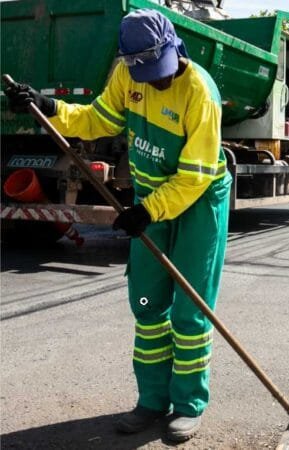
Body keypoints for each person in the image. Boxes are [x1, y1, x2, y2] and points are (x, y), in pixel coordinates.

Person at [5, 9, 231, 442]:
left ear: (174, 49)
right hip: (152, 202)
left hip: (197, 203)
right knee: (147, 307)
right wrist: (48, 105)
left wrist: (148, 211)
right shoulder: (129, 77)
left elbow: (195, 175)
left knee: (190, 311)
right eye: (143, 72)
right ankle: (151, 401)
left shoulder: (200, 91)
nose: (153, 80)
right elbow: (98, 120)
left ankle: (188, 405)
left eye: (158, 71)